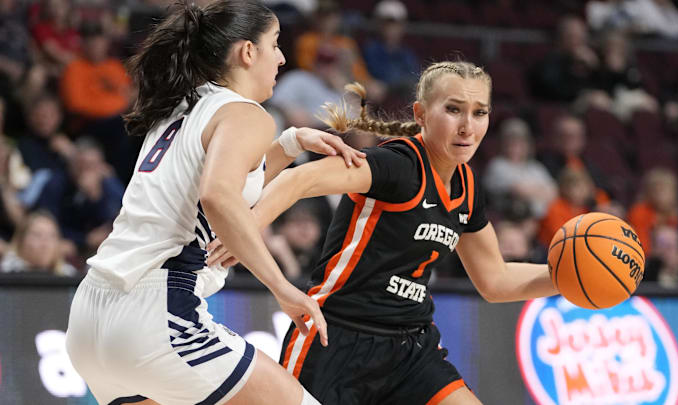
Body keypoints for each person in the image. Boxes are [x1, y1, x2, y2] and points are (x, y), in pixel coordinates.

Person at [65, 1, 365, 404]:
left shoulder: (181, 107)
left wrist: (291, 143)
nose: (281, 57)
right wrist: (281, 286)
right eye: (275, 44)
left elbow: (232, 179)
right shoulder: (247, 115)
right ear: (247, 52)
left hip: (91, 316)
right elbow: (219, 194)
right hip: (157, 313)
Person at [211, 61, 559, 404]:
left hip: (411, 347)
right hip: (338, 338)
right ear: (421, 114)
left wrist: (569, 280)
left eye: (479, 112)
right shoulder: (398, 165)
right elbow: (302, 178)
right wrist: (245, 228)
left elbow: (494, 279)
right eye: (454, 110)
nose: (468, 126)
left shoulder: (468, 187)